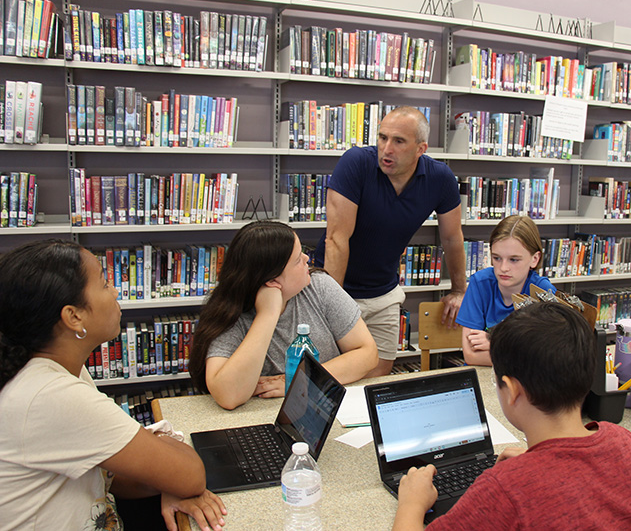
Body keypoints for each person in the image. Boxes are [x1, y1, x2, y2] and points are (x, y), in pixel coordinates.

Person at [0, 240, 226, 531]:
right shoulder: (53, 395)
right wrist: (170, 472)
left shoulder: (56, 370)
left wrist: (166, 478)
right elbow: (192, 475)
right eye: (105, 283)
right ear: (73, 316)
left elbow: (110, 475)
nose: (116, 290)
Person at [392, 302, 631, 531]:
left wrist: (411, 505)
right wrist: (537, 465)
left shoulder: (503, 489)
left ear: (512, 391)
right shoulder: (626, 443)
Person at [314, 106, 467, 376]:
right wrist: (332, 305)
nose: (386, 149)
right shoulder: (357, 163)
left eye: (398, 141)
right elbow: (337, 239)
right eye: (382, 138)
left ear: (421, 149)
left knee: (376, 377)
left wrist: (458, 290)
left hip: (383, 294)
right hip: (334, 289)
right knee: (330, 376)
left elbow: (453, 238)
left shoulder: (440, 178)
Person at [189, 220, 378, 410]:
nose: (306, 258)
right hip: (259, 417)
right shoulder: (232, 311)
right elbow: (228, 396)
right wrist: (268, 314)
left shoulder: (320, 286)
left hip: (320, 408)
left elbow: (367, 353)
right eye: (297, 260)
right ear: (272, 280)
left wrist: (300, 381)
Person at [456, 215, 556, 366]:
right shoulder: (480, 283)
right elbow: (471, 356)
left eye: (514, 260)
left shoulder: (543, 291)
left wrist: (495, 343)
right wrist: (521, 352)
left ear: (534, 259)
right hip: (483, 376)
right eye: (497, 258)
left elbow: (545, 359)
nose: (503, 268)